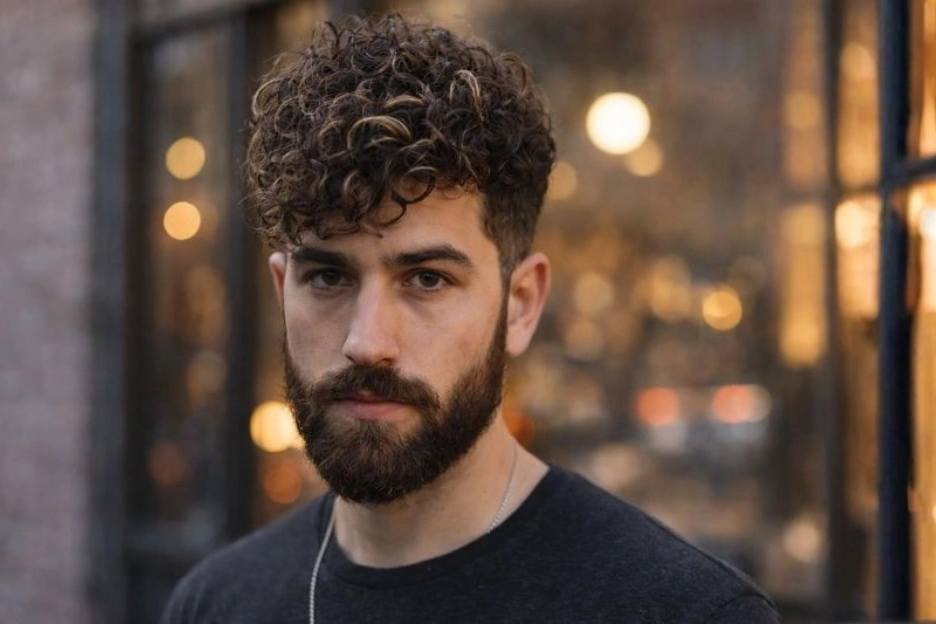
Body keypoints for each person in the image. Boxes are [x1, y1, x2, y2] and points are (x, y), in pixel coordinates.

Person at [160, 13, 779, 623]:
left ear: (521, 304)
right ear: (280, 290)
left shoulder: (684, 610)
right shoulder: (215, 603)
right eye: (328, 277)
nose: (367, 342)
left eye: (427, 279)